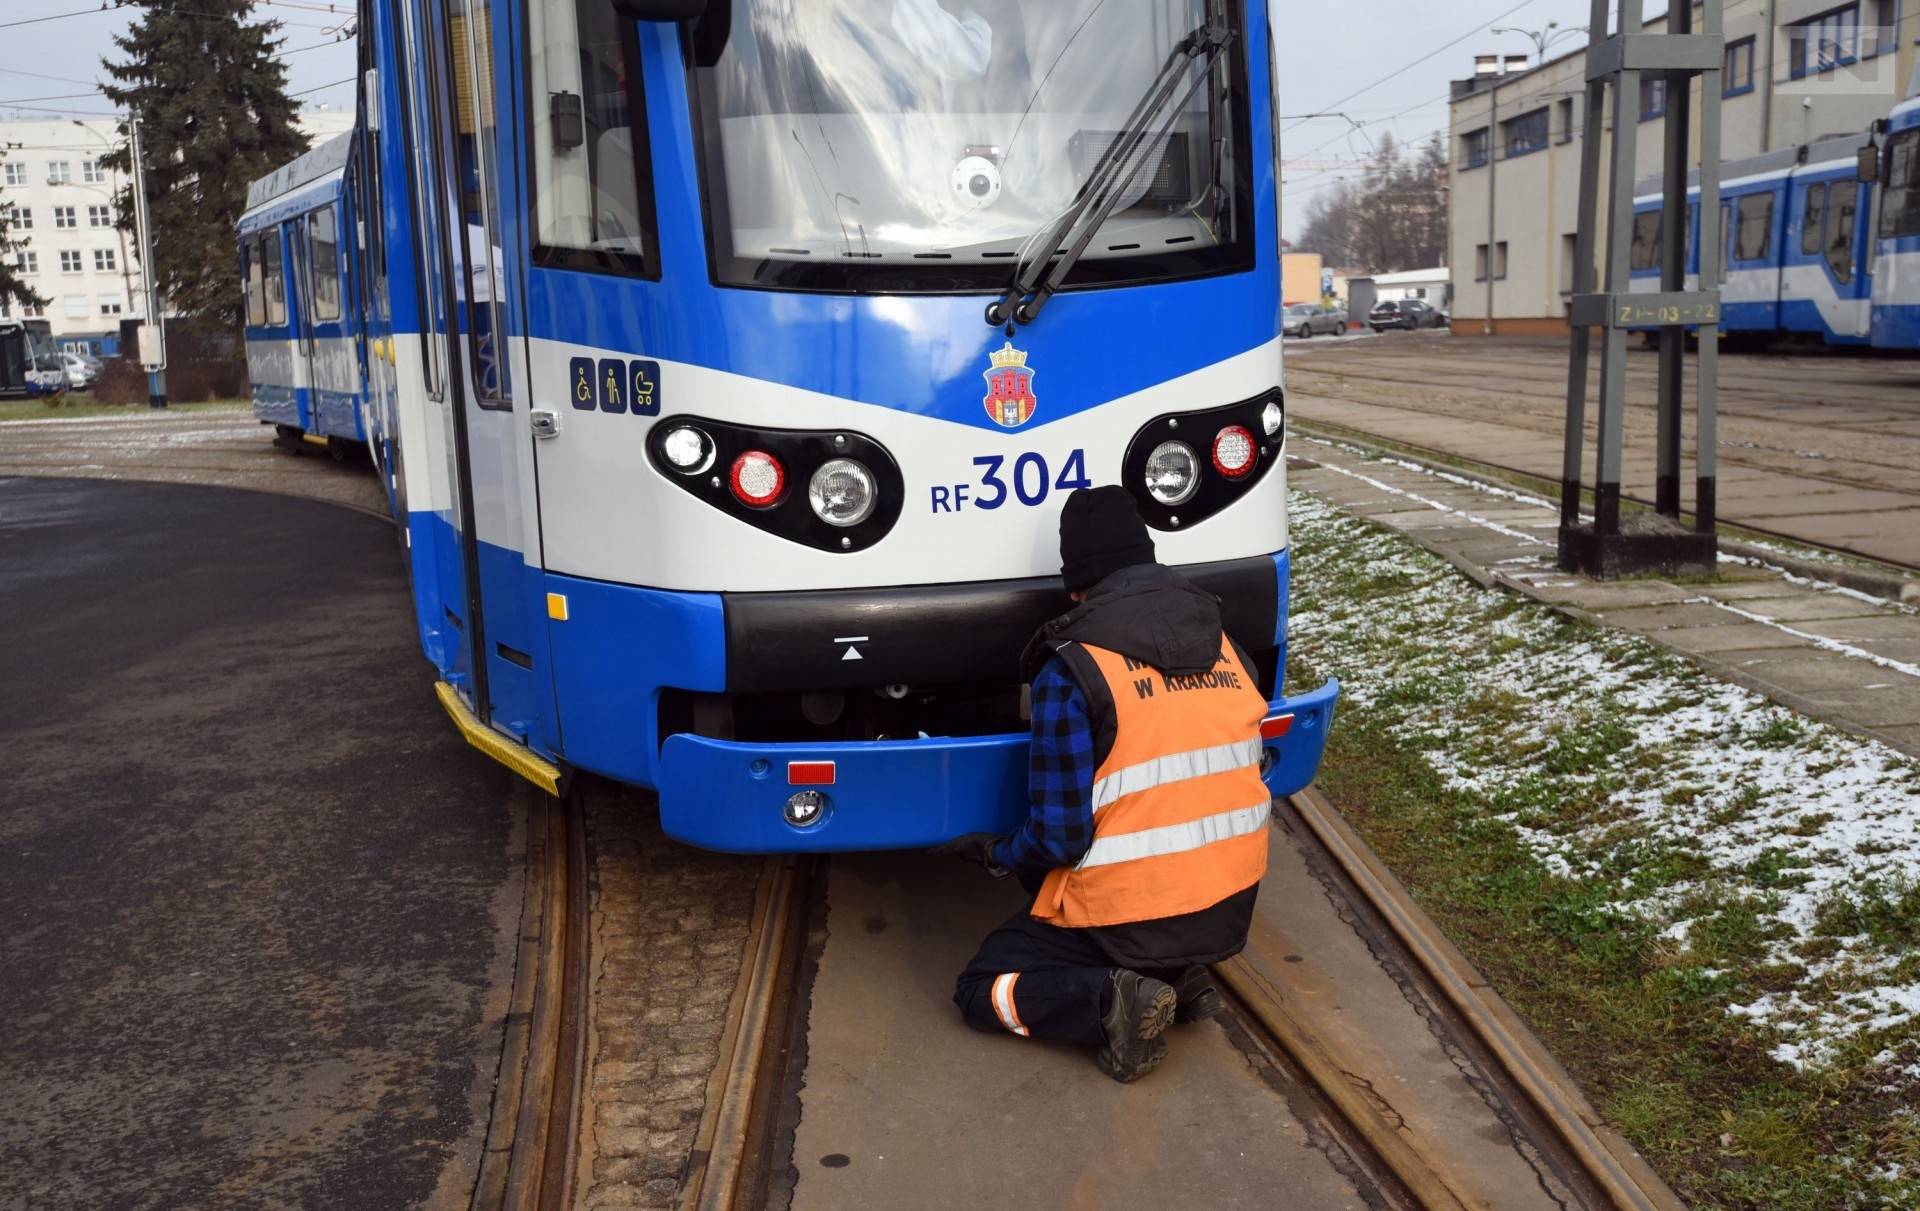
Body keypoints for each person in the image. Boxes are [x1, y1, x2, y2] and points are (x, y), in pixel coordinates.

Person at [936, 485, 1271, 1082]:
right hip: (1230, 905)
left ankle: (1113, 998)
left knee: (981, 986)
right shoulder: (1228, 647)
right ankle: (1175, 974)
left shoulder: (1074, 667)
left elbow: (1060, 838)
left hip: (1131, 917)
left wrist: (992, 852)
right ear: (1149, 559)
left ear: (1075, 586)